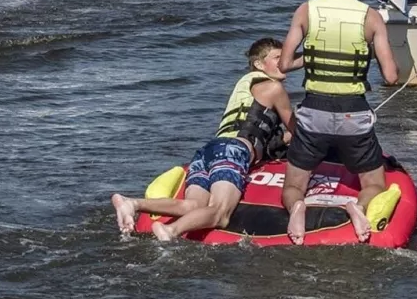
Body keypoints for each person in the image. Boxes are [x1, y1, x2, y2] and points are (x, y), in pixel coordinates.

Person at [110, 37, 294, 242]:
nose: (284, 62)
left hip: (209, 150)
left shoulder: (244, 85)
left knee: (192, 206)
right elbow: (297, 130)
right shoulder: (274, 88)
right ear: (259, 64)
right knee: (220, 213)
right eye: (277, 57)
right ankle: (171, 231)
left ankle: (133, 203)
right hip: (234, 151)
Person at [279, 0, 399, 244]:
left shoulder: (307, 10)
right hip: (353, 116)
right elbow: (390, 76)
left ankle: (297, 208)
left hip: (313, 115)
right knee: (374, 183)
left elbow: (282, 64)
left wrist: (315, 55)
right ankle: (358, 206)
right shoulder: (371, 17)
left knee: (293, 186)